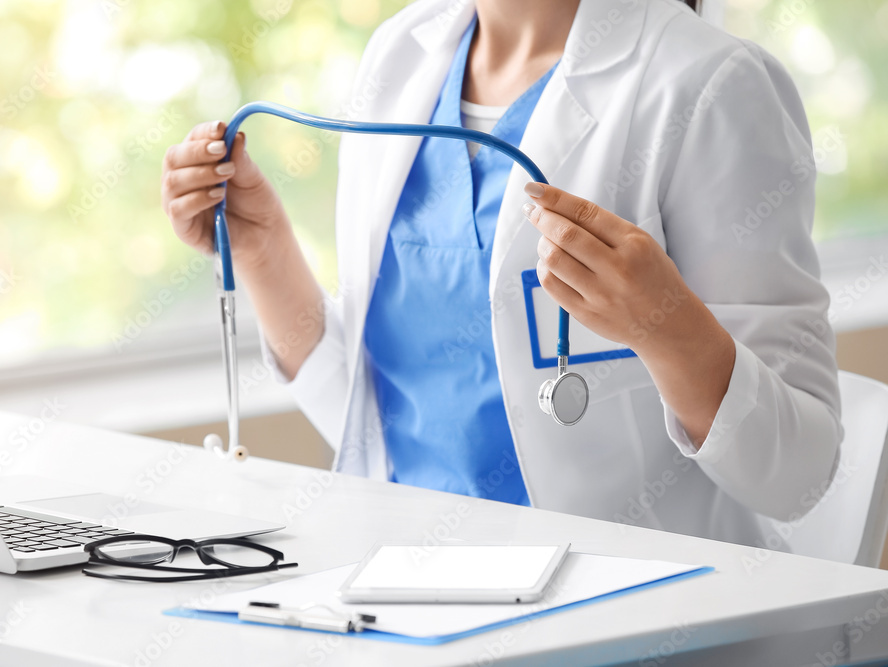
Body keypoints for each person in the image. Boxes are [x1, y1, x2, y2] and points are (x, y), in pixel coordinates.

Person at [160, 0, 842, 548]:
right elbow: (377, 425)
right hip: (402, 594)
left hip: (631, 613)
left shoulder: (708, 83)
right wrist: (262, 249)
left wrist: (667, 326)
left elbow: (798, 475)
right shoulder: (401, 56)